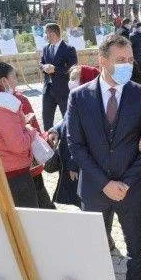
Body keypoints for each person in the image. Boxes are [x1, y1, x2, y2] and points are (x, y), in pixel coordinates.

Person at [66, 34, 141, 280]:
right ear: (102, 61)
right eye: (120, 60)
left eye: (130, 59)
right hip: (95, 190)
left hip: (133, 189)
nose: (127, 64)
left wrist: (126, 182)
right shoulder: (79, 97)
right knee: (94, 246)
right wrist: (104, 183)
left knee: (136, 247)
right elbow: (75, 145)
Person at [0, 62, 51, 208]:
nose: (16, 82)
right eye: (14, 77)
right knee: (28, 216)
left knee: (10, 214)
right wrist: (29, 130)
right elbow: (19, 145)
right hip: (15, 173)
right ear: (3, 81)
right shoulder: (5, 105)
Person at [46, 65, 101, 208]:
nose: (71, 82)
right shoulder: (76, 99)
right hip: (71, 158)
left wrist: (73, 165)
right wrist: (56, 130)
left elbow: (82, 140)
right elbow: (67, 119)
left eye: (75, 79)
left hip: (81, 163)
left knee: (86, 199)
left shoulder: (91, 106)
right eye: (70, 78)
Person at [40, 23, 78, 130]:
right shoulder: (46, 48)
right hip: (48, 90)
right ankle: (48, 139)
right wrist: (44, 67)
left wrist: (55, 69)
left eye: (46, 33)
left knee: (68, 119)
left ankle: (68, 139)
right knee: (47, 119)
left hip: (63, 90)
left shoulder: (69, 49)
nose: (45, 36)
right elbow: (41, 63)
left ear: (53, 33)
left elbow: (73, 69)